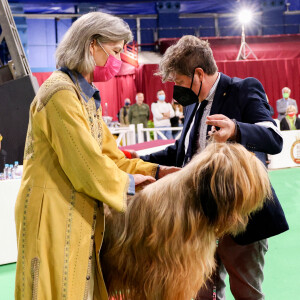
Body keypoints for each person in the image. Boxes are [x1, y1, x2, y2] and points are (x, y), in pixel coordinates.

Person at [14, 12, 178, 300]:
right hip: (51, 211)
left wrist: (157, 172)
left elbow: (111, 155)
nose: (117, 60)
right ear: (92, 45)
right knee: (55, 290)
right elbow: (87, 164)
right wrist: (129, 182)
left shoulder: (84, 96)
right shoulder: (60, 92)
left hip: (74, 210)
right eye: (114, 51)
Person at [140, 35, 289, 300]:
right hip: (198, 220)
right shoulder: (191, 105)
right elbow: (180, 152)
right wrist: (134, 160)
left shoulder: (243, 89)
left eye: (180, 82)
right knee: (200, 294)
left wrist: (236, 130)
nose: (177, 89)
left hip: (242, 219)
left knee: (247, 292)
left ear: (199, 74)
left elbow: (273, 138)